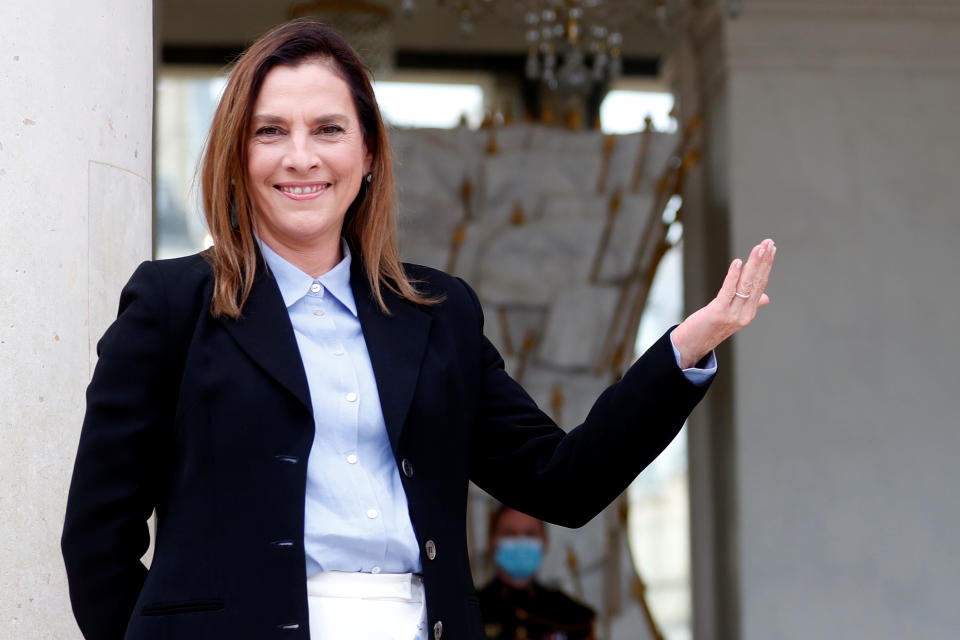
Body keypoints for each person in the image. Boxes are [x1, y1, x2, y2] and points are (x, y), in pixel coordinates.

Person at [60, 18, 776, 640]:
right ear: (237, 157)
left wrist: (687, 347)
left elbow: (564, 482)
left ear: (368, 155)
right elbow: (98, 538)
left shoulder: (438, 315)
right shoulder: (170, 305)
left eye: (329, 129)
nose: (301, 156)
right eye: (270, 131)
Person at [479, 506, 595, 640]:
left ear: (545, 542)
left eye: (530, 534)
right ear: (491, 541)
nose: (520, 542)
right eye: (509, 533)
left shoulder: (571, 614)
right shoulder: (471, 611)